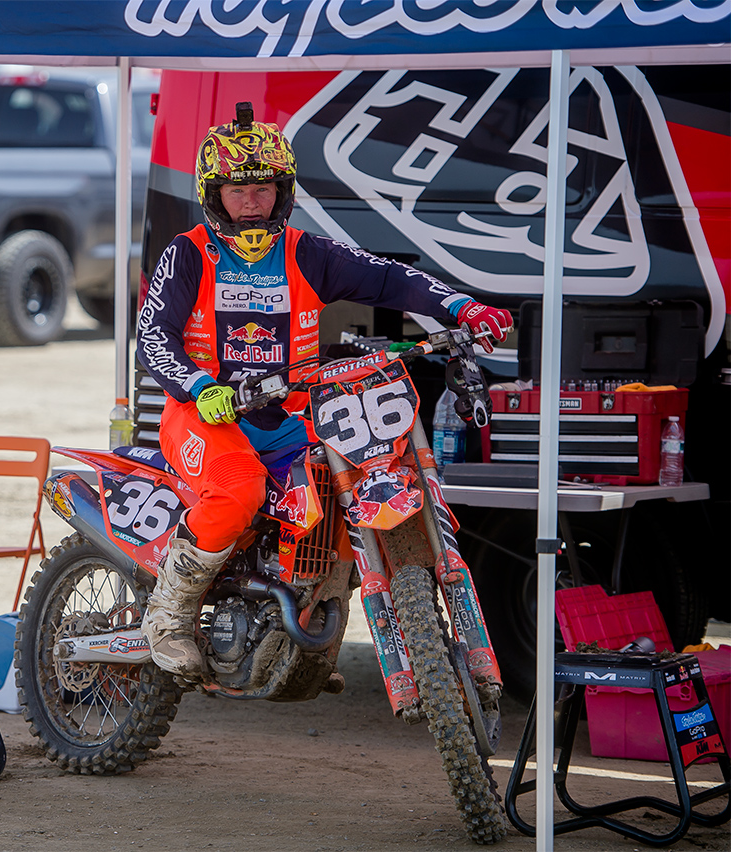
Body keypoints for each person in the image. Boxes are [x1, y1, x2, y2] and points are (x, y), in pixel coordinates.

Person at [135, 103, 513, 678]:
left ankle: (305, 627)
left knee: (348, 487)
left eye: (265, 188)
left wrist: (462, 305)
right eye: (237, 189)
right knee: (237, 492)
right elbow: (152, 336)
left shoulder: (306, 252)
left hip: (292, 414)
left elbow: (391, 277)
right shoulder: (188, 253)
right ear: (212, 194)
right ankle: (169, 613)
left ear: (284, 192)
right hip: (206, 416)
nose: (252, 202)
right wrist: (197, 385)